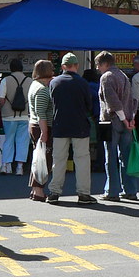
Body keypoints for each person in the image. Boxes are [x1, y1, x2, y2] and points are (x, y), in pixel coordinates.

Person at [48, 53, 96, 204]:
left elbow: (52, 103)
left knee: (59, 160)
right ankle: (83, 193)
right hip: (80, 125)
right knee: (81, 160)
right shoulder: (82, 83)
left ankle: (54, 192)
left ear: (63, 67)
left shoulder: (54, 82)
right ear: (76, 66)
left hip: (60, 125)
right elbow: (89, 105)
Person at [95, 51, 138, 202]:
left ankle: (112, 191)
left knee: (110, 157)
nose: (97, 68)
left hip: (111, 121)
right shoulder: (123, 75)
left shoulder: (106, 77)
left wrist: (123, 118)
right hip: (126, 120)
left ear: (105, 64)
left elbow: (112, 101)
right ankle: (130, 190)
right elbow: (132, 99)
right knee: (126, 157)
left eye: (98, 64)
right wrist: (130, 118)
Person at [26, 59, 56, 201]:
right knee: (45, 160)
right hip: (42, 126)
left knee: (37, 158)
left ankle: (34, 189)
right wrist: (45, 132)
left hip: (33, 125)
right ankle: (39, 190)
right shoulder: (43, 90)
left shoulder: (34, 85)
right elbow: (41, 113)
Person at [0, 58, 31, 175]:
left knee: (9, 140)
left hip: (8, 116)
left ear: (10, 68)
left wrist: (4, 106)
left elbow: (1, 99)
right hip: (25, 116)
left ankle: (5, 165)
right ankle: (19, 167)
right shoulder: (30, 81)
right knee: (23, 141)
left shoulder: (6, 80)